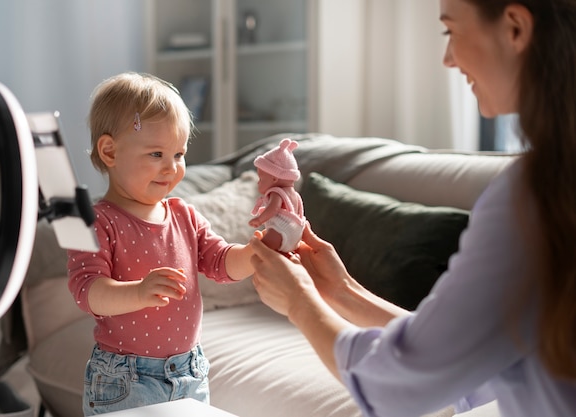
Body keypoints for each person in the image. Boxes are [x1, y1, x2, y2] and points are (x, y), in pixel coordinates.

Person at [248, 1, 576, 416]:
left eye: (450, 31)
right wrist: (341, 291)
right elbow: (460, 351)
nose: (448, 58)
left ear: (514, 28)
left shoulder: (536, 196)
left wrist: (299, 301)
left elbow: (400, 384)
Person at [67, 72, 254, 416]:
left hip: (190, 372)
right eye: (156, 154)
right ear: (109, 151)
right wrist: (138, 292)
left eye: (179, 154)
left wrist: (254, 255)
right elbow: (87, 291)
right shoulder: (96, 221)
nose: (172, 168)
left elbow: (221, 261)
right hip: (126, 380)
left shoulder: (184, 214)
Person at [249, 138, 305, 253]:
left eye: (261, 179)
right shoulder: (294, 195)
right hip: (296, 233)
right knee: (278, 255)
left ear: (274, 178)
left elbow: (273, 208)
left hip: (281, 231)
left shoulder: (276, 192)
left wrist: (260, 220)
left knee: (262, 249)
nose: (258, 182)